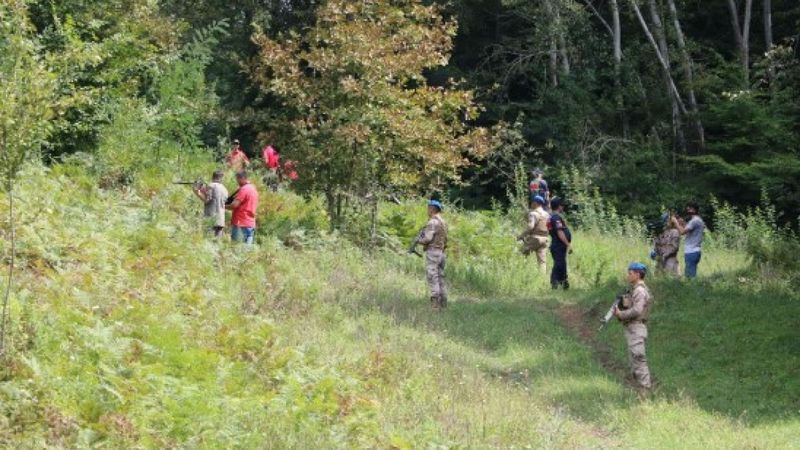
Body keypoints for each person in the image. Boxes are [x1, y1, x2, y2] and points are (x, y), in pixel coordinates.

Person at [613, 262, 654, 390]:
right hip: (633, 328)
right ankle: (639, 388)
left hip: (637, 328)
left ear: (637, 274)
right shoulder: (635, 290)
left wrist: (621, 314)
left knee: (638, 358)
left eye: (630, 273)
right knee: (634, 360)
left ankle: (645, 389)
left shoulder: (640, 291)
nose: (628, 276)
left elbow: (637, 310)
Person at [410, 200, 448, 310]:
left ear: (432, 209)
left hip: (433, 253)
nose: (427, 210)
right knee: (441, 279)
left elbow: (427, 238)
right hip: (441, 253)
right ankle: (444, 305)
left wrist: (418, 240)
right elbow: (445, 239)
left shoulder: (432, 222)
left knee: (433, 278)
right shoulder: (443, 222)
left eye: (428, 208)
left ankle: (435, 307)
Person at [518, 195, 551, 273]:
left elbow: (530, 226)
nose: (531, 203)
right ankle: (542, 279)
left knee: (521, 254)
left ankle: (520, 273)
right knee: (542, 262)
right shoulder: (547, 215)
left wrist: (521, 236)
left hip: (535, 238)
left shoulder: (533, 213)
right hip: (545, 239)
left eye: (532, 202)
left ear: (535, 203)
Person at [672, 202, 705, 279]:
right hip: (693, 251)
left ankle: (695, 290)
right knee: (690, 276)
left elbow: (682, 232)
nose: (687, 209)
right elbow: (688, 232)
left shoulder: (695, 221)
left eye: (689, 208)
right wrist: (682, 223)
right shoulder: (697, 220)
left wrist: (676, 222)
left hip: (692, 251)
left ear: (693, 209)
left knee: (690, 278)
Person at [226, 171, 259, 244]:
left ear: (241, 178)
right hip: (250, 223)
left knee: (236, 247)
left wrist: (223, 206)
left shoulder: (244, 189)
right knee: (246, 251)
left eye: (237, 179)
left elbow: (234, 205)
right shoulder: (253, 189)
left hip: (241, 223)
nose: (237, 182)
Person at [193, 170, 229, 238]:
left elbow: (207, 200)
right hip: (220, 220)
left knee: (208, 239)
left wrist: (197, 192)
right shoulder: (225, 189)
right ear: (222, 178)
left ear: (213, 177)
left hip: (211, 218)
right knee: (217, 243)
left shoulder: (211, 185)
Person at [547, 197, 572, 289]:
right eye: (562, 205)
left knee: (562, 264)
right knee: (559, 264)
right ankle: (554, 282)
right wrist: (568, 244)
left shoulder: (551, 217)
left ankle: (564, 283)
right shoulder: (556, 218)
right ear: (559, 206)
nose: (563, 207)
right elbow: (560, 232)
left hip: (557, 244)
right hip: (558, 244)